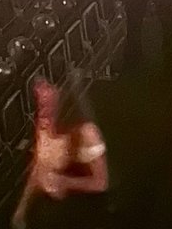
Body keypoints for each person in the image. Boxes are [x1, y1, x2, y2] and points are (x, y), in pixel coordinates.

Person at [13, 75, 108, 229]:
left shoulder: (87, 133)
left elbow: (101, 183)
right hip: (62, 209)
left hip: (92, 209)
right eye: (40, 104)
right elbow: (39, 167)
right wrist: (21, 209)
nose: (44, 109)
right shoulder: (44, 127)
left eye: (47, 98)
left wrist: (64, 182)